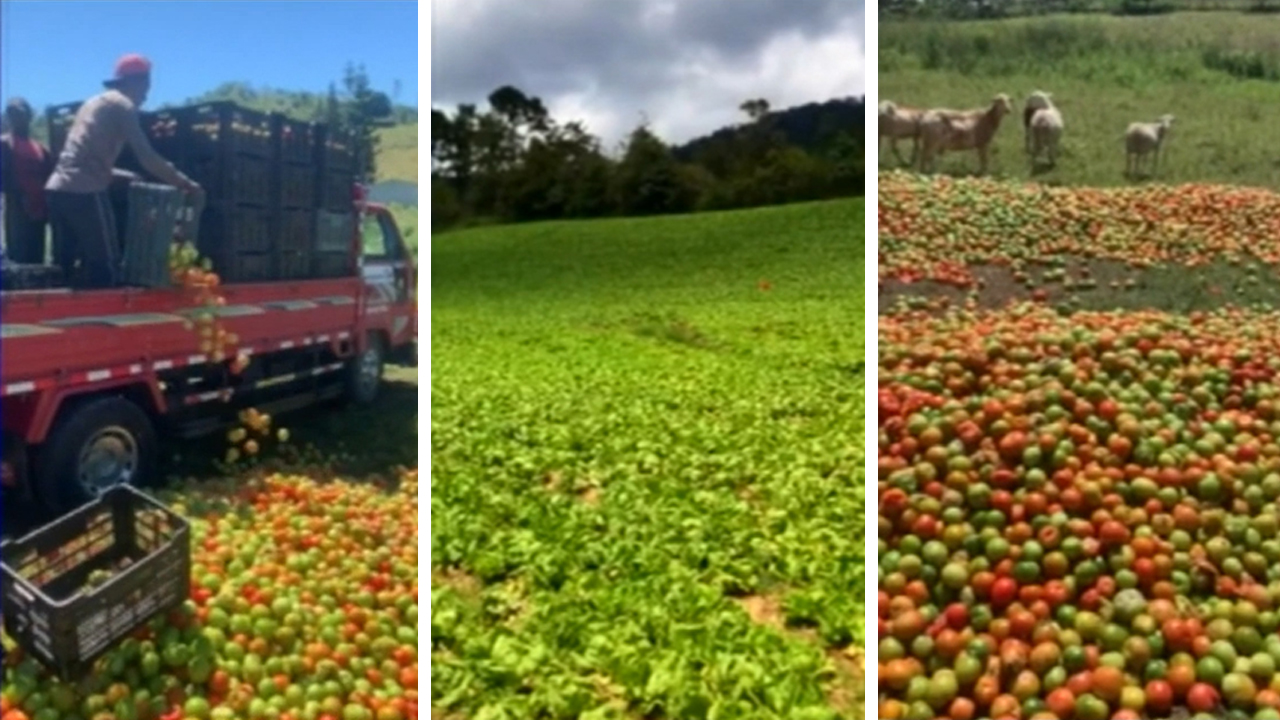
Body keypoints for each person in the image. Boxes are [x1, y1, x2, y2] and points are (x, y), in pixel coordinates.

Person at [44, 54, 202, 289]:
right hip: (83, 192)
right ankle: (106, 320)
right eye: (146, 86)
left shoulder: (94, 103)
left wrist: (127, 176)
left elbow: (83, 158)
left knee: (67, 268)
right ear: (137, 81)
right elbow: (146, 156)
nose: (146, 94)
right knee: (106, 264)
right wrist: (183, 182)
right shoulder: (122, 104)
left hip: (58, 189)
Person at [0, 98, 55, 265]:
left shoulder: (40, 148)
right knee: (19, 254)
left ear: (29, 115)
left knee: (37, 252)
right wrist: (18, 197)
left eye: (20, 113)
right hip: (17, 206)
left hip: (39, 206)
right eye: (11, 114)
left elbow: (48, 176)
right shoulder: (4, 143)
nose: (16, 117)